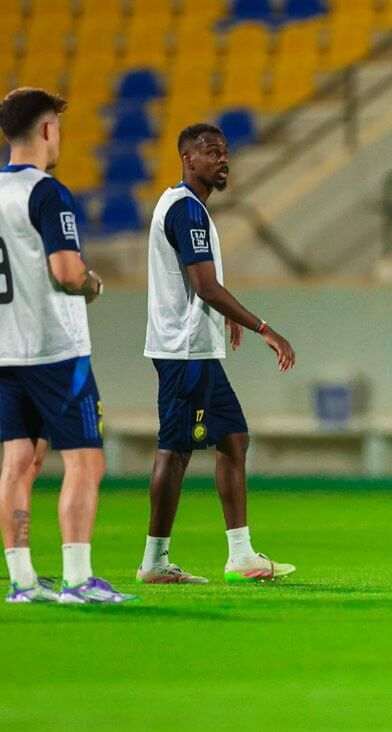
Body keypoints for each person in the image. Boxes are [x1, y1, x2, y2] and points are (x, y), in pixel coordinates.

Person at [138, 123, 297, 585]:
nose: (223, 159)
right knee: (175, 450)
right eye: (212, 152)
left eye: (225, 151)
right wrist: (262, 327)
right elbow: (204, 285)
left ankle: (241, 555)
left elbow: (199, 284)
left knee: (231, 439)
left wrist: (220, 313)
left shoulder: (182, 206)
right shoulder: (187, 211)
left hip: (191, 348)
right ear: (189, 159)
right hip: (185, 352)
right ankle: (156, 561)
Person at [0, 87, 134, 603]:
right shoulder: (47, 192)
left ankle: (23, 581)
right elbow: (65, 271)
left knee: (17, 463)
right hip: (55, 351)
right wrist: (92, 283)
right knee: (85, 462)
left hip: (7, 350)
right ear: (47, 130)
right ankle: (78, 579)